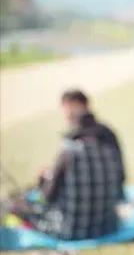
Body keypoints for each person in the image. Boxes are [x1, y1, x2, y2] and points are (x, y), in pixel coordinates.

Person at [33, 89, 126, 241]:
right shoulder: (108, 135)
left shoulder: (70, 147)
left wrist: (44, 179)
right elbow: (120, 175)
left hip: (73, 228)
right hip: (108, 223)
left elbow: (47, 195)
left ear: (75, 106)